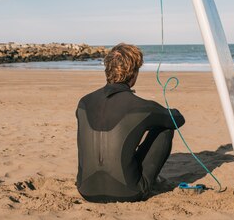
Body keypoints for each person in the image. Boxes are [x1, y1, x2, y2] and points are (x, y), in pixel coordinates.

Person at [75, 43, 184, 203]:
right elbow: (177, 120)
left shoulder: (84, 103)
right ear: (133, 73)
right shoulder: (142, 106)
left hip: (85, 190)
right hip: (129, 193)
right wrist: (164, 112)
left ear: (108, 69)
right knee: (165, 127)